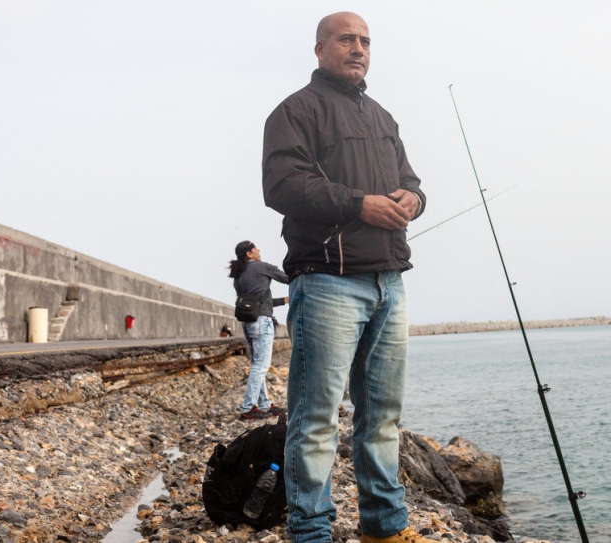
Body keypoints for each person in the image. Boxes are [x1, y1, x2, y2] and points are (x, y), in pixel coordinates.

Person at [261, 12, 429, 543]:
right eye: (346, 39)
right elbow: (283, 185)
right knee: (316, 420)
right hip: (328, 282)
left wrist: (413, 199)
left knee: (381, 417)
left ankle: (384, 527)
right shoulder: (295, 111)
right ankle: (310, 532)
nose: (357, 48)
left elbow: (411, 181)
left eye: (365, 41)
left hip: (389, 282)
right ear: (320, 49)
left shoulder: (383, 117)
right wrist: (360, 205)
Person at [228, 240, 289, 421]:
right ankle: (248, 408)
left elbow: (257, 300)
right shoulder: (261, 267)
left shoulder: (238, 274)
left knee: (257, 365)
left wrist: (284, 300)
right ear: (249, 253)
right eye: (255, 249)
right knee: (261, 366)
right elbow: (289, 278)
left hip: (248, 322)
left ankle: (264, 405)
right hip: (262, 322)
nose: (259, 250)